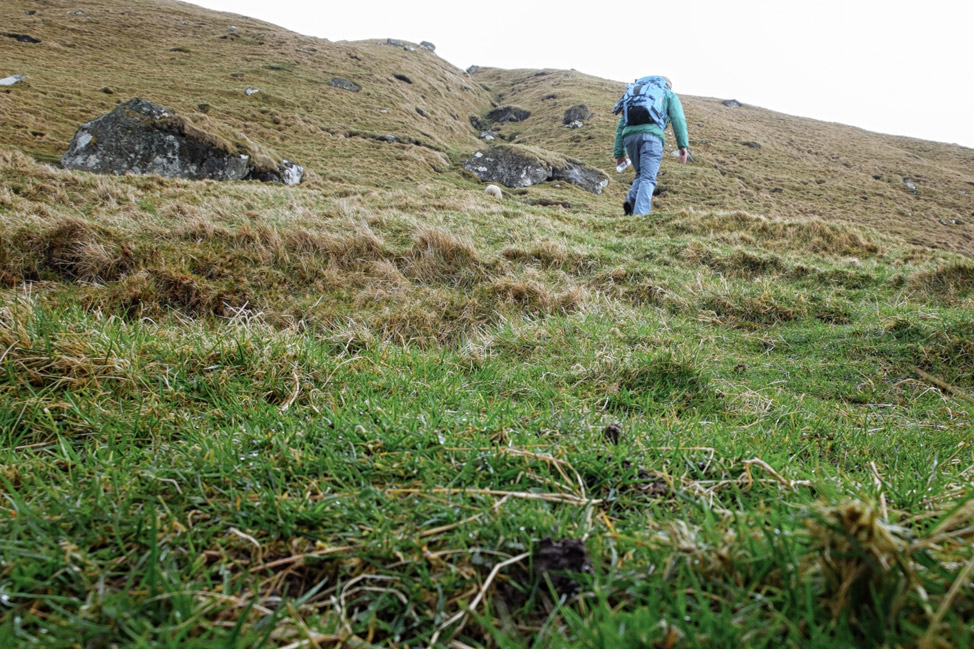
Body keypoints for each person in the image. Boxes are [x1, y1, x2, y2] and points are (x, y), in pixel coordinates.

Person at [613, 76, 689, 216]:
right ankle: (640, 215)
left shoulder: (634, 95)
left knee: (641, 174)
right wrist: (682, 146)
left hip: (630, 137)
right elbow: (678, 119)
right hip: (651, 138)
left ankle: (631, 202)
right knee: (648, 178)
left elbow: (621, 125)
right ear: (668, 86)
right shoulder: (668, 94)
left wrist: (619, 154)